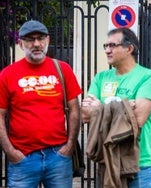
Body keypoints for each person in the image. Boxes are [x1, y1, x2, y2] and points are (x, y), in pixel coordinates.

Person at [0, 20, 82, 188]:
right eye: (30, 39)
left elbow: (75, 109)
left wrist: (70, 146)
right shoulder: (7, 74)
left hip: (58, 156)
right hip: (22, 158)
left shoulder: (63, 69)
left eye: (41, 38)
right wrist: (10, 151)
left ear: (48, 40)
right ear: (20, 43)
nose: (36, 44)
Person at [81, 27, 151, 187]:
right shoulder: (101, 77)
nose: (107, 50)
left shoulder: (147, 76)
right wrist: (124, 105)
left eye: (112, 45)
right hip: (108, 159)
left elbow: (138, 119)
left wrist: (100, 107)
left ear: (129, 48)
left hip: (140, 162)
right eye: (106, 46)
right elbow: (85, 114)